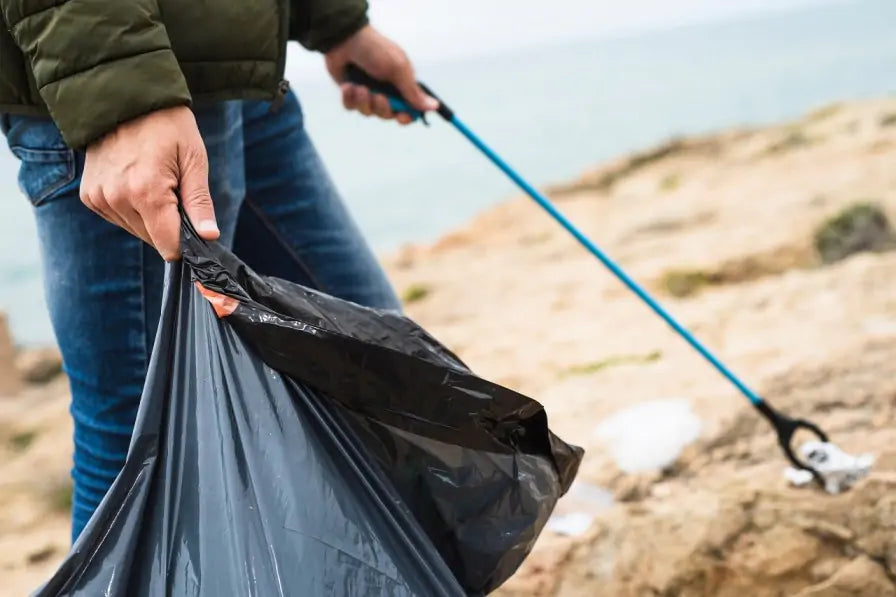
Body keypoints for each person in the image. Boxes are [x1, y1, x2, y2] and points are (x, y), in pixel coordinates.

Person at [0, 0, 435, 541]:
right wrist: (120, 90)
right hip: (133, 98)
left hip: (238, 74)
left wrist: (337, 23)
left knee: (376, 366)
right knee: (141, 439)